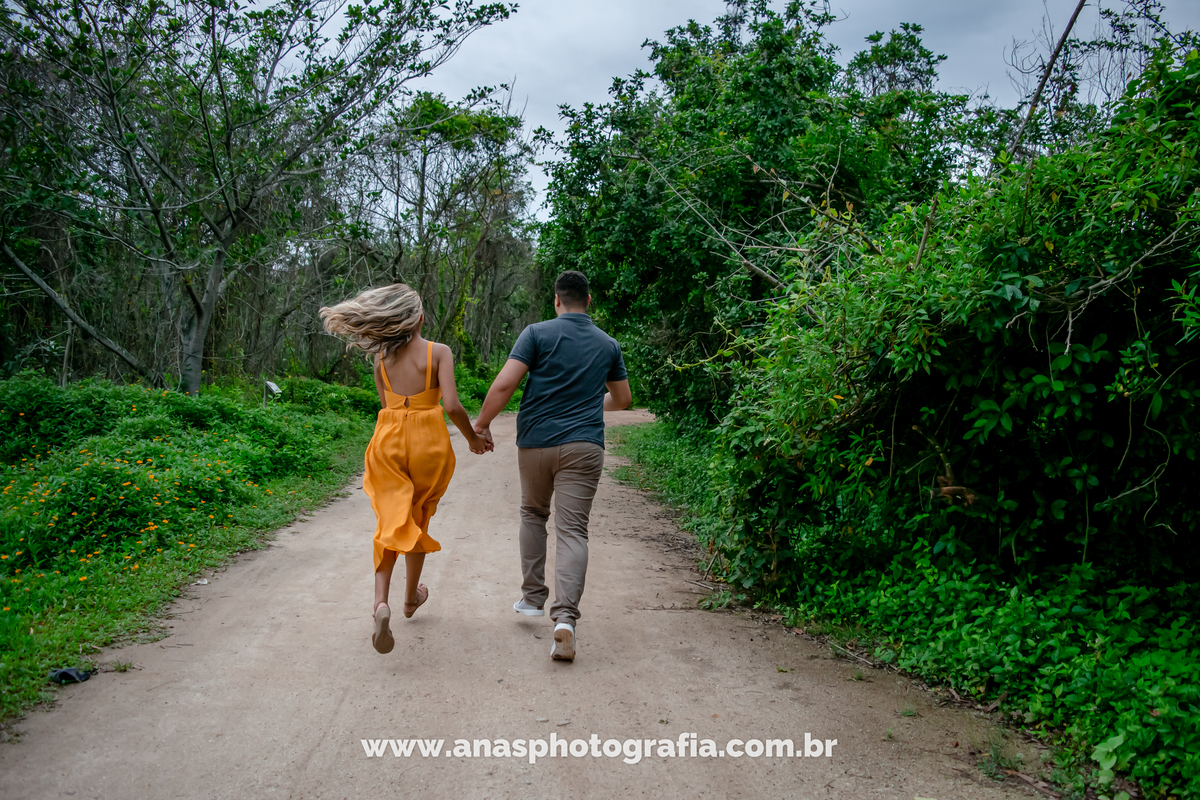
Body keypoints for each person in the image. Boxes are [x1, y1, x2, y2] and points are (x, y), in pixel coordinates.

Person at [320, 284, 490, 655]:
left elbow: (389, 408)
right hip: (428, 444)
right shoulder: (439, 352)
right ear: (419, 319)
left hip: (389, 440)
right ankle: (411, 598)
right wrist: (473, 439)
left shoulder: (381, 359)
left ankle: (382, 603)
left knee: (390, 520)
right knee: (418, 518)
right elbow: (454, 407)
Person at [474, 270, 632, 662]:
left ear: (557, 300)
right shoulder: (607, 344)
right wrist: (591, 407)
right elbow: (623, 399)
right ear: (589, 302)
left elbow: (505, 385)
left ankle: (531, 599)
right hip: (584, 446)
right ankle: (565, 620)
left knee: (533, 513)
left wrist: (481, 425)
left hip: (535, 444)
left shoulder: (536, 333)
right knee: (573, 530)